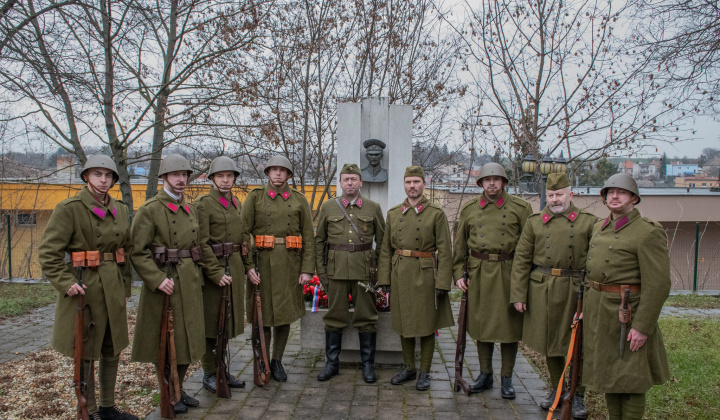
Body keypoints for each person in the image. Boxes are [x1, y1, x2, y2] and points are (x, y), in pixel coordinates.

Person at [39, 155, 137, 420]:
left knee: (111, 346)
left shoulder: (121, 208)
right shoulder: (69, 208)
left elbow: (125, 251)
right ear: (86, 177)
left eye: (108, 175)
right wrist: (66, 282)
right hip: (85, 286)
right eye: (97, 174)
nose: (103, 180)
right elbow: (48, 253)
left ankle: (107, 406)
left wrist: (125, 288)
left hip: (113, 285)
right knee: (85, 351)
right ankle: (89, 410)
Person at [583, 173, 670, 420]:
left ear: (634, 198)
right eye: (610, 192)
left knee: (631, 378)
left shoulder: (647, 232)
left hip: (628, 314)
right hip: (600, 312)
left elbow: (659, 284)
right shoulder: (598, 228)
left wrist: (642, 326)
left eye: (621, 192)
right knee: (610, 374)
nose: (615, 196)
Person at [509, 172, 595, 417]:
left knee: (578, 345)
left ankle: (577, 395)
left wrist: (590, 295)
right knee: (551, 344)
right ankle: (557, 390)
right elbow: (522, 260)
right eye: (551, 195)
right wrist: (518, 294)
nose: (555, 199)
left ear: (571, 193)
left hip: (575, 289)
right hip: (543, 288)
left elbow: (595, 262)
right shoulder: (535, 222)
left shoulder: (589, 222)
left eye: (559, 194)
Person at [130, 154, 204, 414]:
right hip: (164, 282)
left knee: (187, 340)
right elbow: (137, 251)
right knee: (164, 341)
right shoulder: (150, 209)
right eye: (175, 175)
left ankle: (178, 386)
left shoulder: (191, 208)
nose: (181, 179)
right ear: (163, 177)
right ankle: (168, 391)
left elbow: (198, 246)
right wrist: (157, 279)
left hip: (190, 280)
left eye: (184, 174)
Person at [453, 162, 532, 399]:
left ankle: (507, 378)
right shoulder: (469, 209)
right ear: (480, 183)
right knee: (481, 326)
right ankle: (485, 375)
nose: (492, 183)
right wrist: (458, 273)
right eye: (487, 180)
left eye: (497, 179)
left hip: (510, 273)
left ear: (504, 182)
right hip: (479, 273)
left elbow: (530, 247)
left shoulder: (521, 208)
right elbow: (459, 247)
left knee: (510, 328)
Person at [377, 166, 454, 391]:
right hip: (400, 272)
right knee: (403, 322)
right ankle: (409, 367)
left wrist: (442, 282)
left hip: (425, 273)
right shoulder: (393, 213)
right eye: (408, 182)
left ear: (424, 184)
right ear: (404, 185)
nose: (412, 186)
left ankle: (425, 371)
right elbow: (385, 250)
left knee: (427, 324)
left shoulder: (436, 213)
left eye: (416, 182)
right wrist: (384, 280)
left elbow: (445, 251)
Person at [241, 154, 315, 382]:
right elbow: (243, 234)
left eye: (282, 170)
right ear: (267, 173)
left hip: (290, 264)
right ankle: (262, 360)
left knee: (283, 315)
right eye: (273, 170)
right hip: (262, 263)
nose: (278, 174)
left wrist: (306, 269)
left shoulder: (299, 200)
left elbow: (309, 237)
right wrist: (249, 266)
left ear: (289, 175)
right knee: (261, 315)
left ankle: (277, 361)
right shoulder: (255, 198)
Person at [314, 163, 385, 383]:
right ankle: (331, 364)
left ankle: (367, 366)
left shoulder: (373, 208)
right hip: (335, 271)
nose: (350, 183)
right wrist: (322, 272)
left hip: (364, 272)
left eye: (354, 179)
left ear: (360, 182)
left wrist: (381, 275)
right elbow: (319, 242)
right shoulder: (328, 207)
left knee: (366, 317)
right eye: (346, 179)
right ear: (340, 182)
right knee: (335, 317)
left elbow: (382, 244)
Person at [195, 156, 249, 393]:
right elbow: (201, 243)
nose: (226, 180)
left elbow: (243, 237)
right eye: (221, 176)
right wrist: (215, 272)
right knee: (211, 322)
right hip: (214, 269)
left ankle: (222, 370)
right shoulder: (203, 204)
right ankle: (209, 373)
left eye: (230, 176)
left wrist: (248, 267)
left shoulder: (236, 203)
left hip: (234, 267)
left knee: (225, 321)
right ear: (212, 178)